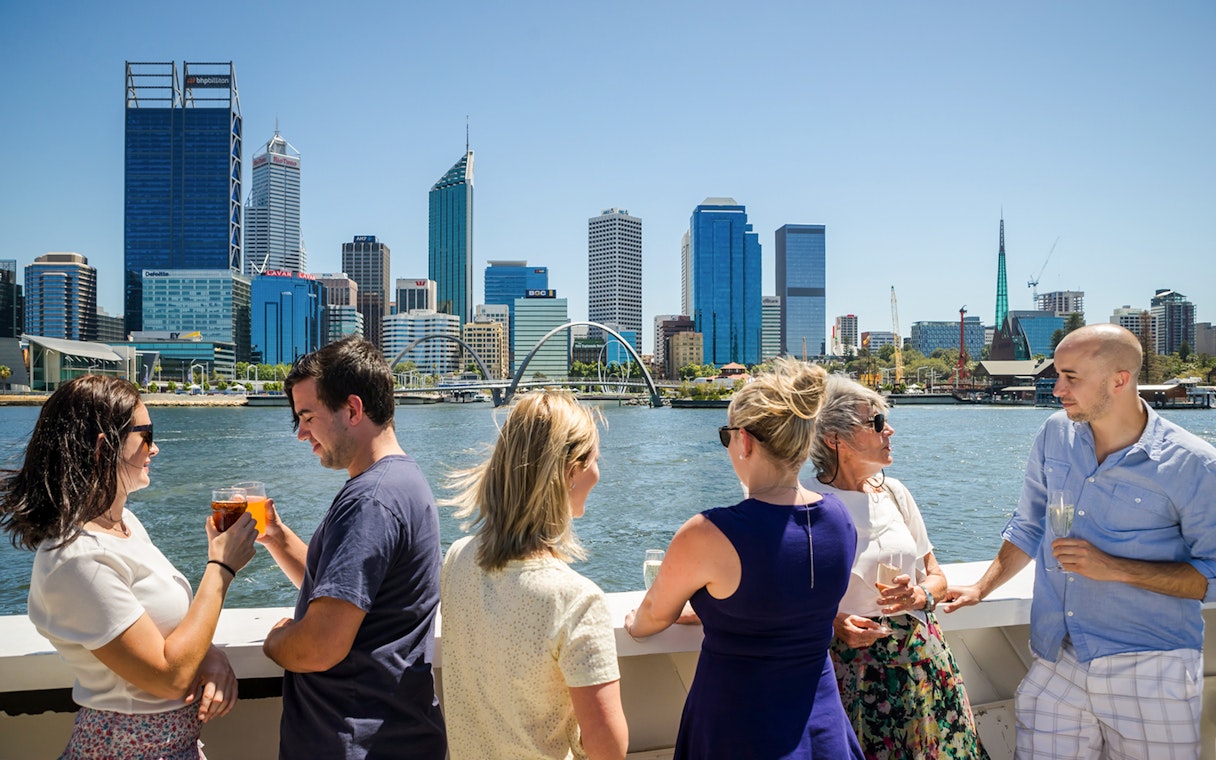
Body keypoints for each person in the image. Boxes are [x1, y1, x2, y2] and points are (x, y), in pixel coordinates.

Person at [941, 323, 1216, 759]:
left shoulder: (1194, 465)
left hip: (1151, 670)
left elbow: (1211, 576)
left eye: (1071, 377)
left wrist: (1115, 569)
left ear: (1119, 380)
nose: (1056, 389)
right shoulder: (1055, 434)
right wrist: (980, 587)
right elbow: (1029, 523)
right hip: (1057, 661)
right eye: (1057, 375)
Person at [0, 375, 257, 759]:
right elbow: (168, 677)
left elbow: (162, 627)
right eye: (147, 435)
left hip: (173, 744)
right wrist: (220, 566)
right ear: (106, 447)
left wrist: (210, 654)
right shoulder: (77, 558)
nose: (155, 449)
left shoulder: (125, 525)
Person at [625, 357, 863, 759]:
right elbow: (783, 601)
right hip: (823, 725)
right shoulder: (841, 518)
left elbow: (651, 617)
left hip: (737, 728)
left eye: (727, 436)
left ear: (746, 441)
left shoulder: (708, 533)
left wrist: (633, 622)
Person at [258, 337, 446, 759]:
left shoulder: (369, 501)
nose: (301, 433)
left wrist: (277, 640)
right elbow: (346, 588)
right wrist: (276, 535)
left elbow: (320, 646)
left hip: (354, 742)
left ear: (354, 410)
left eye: (307, 416)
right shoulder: (401, 482)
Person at [440, 391, 628, 760]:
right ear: (570, 471)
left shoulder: (457, 559)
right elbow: (609, 748)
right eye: (594, 460)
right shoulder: (576, 601)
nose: (598, 473)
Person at [809, 375, 988, 759]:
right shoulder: (808, 502)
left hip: (925, 664)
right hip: (855, 672)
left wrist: (920, 593)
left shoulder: (894, 492)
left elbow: (937, 578)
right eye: (874, 422)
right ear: (832, 438)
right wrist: (836, 622)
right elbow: (786, 596)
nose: (888, 429)